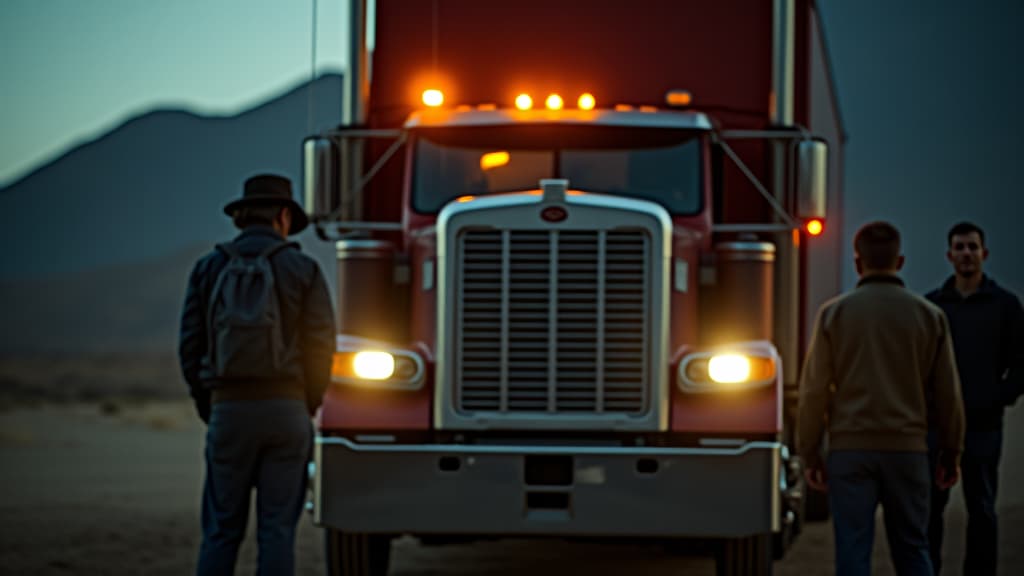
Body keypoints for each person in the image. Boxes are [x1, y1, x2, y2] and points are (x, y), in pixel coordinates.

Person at [179, 174, 335, 575]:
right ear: (284, 216)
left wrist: (210, 405)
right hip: (287, 411)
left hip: (228, 411)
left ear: (242, 217)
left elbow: (190, 348)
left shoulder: (208, 268)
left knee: (220, 531)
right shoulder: (304, 268)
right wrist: (306, 403)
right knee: (277, 531)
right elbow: (322, 348)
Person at [798, 221, 965, 576]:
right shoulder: (929, 316)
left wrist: (810, 451)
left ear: (858, 264)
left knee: (853, 551)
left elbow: (814, 391)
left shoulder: (834, 314)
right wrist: (951, 452)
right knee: (913, 549)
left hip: (850, 451)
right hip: (908, 452)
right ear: (899, 261)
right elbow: (948, 393)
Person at [925, 221, 1023, 576]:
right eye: (960, 248)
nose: (967, 254)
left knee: (981, 507)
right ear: (949, 255)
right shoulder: (933, 307)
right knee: (931, 508)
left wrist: (998, 397)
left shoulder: (1006, 306)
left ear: (985, 253)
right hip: (937, 427)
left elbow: (1020, 362)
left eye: (972, 247)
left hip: (983, 425)